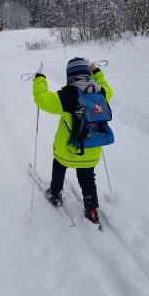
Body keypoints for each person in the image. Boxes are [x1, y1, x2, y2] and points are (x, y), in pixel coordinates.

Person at [32, 57, 113, 224]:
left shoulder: (67, 96)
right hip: (92, 149)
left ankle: (55, 194)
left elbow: (42, 99)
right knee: (87, 177)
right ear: (87, 73)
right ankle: (91, 210)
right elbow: (107, 87)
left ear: (69, 75)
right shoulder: (101, 93)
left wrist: (40, 78)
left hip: (67, 149)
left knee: (59, 167)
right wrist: (96, 71)